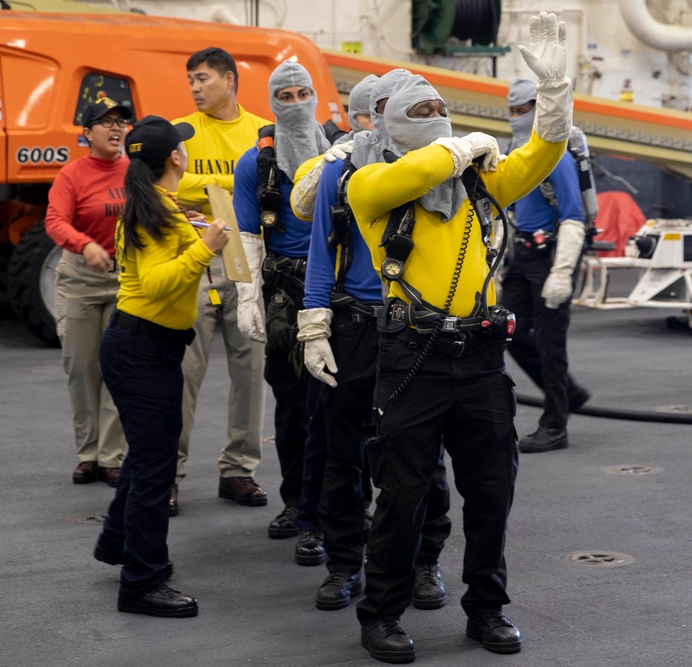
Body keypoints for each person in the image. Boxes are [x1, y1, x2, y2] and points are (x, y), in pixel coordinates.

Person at [315, 11, 572, 662]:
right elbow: (405, 174)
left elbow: (543, 155)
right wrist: (458, 147)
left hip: (482, 357)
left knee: (492, 491)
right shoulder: (369, 183)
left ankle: (487, 608)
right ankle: (381, 614)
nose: (436, 116)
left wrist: (555, 94)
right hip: (412, 359)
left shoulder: (478, 184)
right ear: (392, 126)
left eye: (441, 108)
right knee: (401, 495)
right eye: (420, 110)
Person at [293, 70, 452, 614]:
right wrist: (313, 325)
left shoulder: (447, 171)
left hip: (417, 328)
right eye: (382, 106)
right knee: (344, 456)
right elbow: (320, 252)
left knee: (422, 457)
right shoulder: (341, 173)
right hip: (356, 327)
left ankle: (424, 561)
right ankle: (343, 564)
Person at [93, 115, 229, 617]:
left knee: (146, 456)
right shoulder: (155, 213)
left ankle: (117, 543)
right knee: (155, 468)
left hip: (146, 349)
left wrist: (197, 229)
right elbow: (154, 285)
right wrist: (204, 248)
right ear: (175, 157)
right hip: (141, 351)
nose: (187, 153)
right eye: (183, 148)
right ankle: (141, 583)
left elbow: (208, 190)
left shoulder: (157, 203)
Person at [232, 60, 331, 563]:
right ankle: (297, 502)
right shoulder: (255, 164)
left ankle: (338, 506)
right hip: (284, 296)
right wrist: (247, 298)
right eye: (285, 96)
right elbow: (248, 238)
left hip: (338, 294)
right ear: (272, 103)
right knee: (293, 409)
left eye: (303, 93)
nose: (295, 104)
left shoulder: (340, 155)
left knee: (338, 407)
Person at [171, 46, 271, 515]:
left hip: (247, 263)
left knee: (250, 370)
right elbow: (163, 189)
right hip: (196, 259)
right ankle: (168, 472)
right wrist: (236, 186)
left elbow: (275, 188)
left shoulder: (260, 133)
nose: (194, 87)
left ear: (230, 80)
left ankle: (239, 470)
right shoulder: (180, 133)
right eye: (191, 78)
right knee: (183, 370)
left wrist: (207, 190)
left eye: (204, 78)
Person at [500, 78, 591, 454]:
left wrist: (561, 272)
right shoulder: (514, 150)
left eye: (526, 111)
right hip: (523, 254)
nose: (519, 119)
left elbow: (574, 216)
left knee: (551, 345)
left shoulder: (557, 155)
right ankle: (567, 391)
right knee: (509, 331)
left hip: (551, 255)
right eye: (514, 112)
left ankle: (555, 424)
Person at [46, 98, 132, 487]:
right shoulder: (72, 175)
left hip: (123, 279)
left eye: (121, 122)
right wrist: (85, 245)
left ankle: (111, 456)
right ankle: (88, 454)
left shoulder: (134, 172)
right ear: (87, 132)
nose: (116, 128)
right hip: (81, 279)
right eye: (106, 122)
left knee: (116, 368)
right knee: (81, 368)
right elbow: (55, 221)